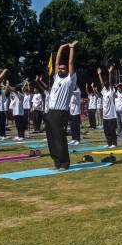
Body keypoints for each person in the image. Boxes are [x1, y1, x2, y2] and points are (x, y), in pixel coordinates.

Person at [44, 41, 79, 171]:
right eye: (59, 69)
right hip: (50, 112)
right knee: (51, 139)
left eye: (63, 69)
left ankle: (64, 163)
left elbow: (70, 63)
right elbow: (56, 62)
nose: (60, 69)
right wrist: (60, 48)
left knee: (59, 138)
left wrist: (71, 48)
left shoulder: (70, 80)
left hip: (60, 112)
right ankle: (56, 162)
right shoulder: (56, 78)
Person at [98, 66, 118, 148]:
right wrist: (99, 74)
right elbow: (102, 83)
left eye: (107, 85)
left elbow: (110, 82)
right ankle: (109, 143)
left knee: (112, 130)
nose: (105, 85)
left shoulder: (111, 91)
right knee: (106, 131)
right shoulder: (104, 92)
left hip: (112, 115)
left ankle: (114, 143)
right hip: (105, 115)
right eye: (105, 85)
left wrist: (110, 72)